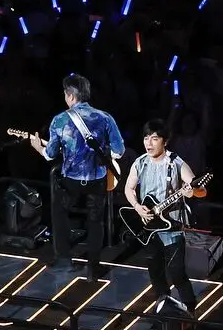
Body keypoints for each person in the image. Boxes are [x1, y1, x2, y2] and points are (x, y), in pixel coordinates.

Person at [30, 74, 125, 280]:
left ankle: (64, 260)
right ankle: (93, 268)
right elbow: (119, 151)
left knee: (60, 213)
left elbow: (50, 155)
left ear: (71, 96)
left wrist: (38, 147)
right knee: (96, 221)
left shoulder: (60, 120)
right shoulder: (105, 118)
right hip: (97, 179)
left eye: (65, 94)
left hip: (70, 181)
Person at [124, 120, 207, 317]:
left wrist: (192, 192)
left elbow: (202, 190)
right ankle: (164, 310)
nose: (149, 143)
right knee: (156, 273)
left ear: (165, 141)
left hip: (172, 228)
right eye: (146, 138)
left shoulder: (176, 163)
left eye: (154, 138)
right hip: (149, 228)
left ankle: (190, 312)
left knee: (177, 273)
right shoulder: (140, 162)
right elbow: (129, 188)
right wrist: (137, 207)